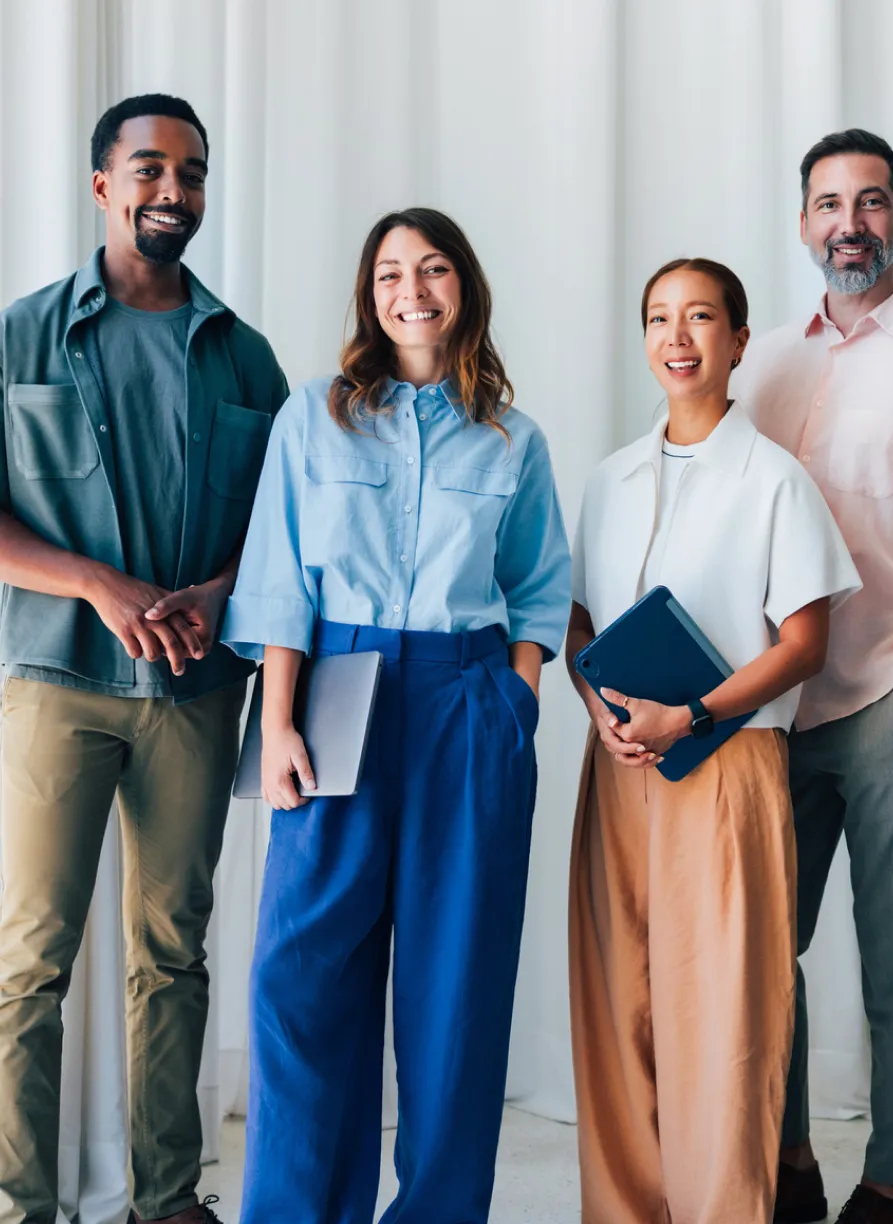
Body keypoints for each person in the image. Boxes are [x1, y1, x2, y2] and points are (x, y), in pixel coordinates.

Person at [221, 206, 571, 1223]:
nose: (410, 290)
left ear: (464, 284)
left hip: (466, 705)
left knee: (453, 989)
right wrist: (278, 721)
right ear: (369, 298)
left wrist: (514, 700)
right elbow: (280, 576)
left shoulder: (513, 439)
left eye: (430, 269)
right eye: (387, 275)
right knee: (303, 982)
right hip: (335, 689)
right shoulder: (315, 414)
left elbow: (539, 589)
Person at [0, 94, 287, 1224]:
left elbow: (280, 528)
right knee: (29, 966)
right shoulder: (22, 335)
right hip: (56, 686)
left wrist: (219, 597)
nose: (176, 191)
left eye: (195, 173)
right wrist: (95, 582)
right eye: (152, 169)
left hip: (195, 694)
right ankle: (23, 1204)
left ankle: (168, 1199)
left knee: (173, 956)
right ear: (102, 186)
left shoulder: (245, 357)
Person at [567, 257, 859, 1224]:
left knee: (722, 1013)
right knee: (619, 1004)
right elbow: (577, 624)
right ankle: (624, 1209)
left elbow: (805, 645)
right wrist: (600, 709)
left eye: (701, 318)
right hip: (617, 771)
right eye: (659, 317)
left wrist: (691, 716)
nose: (678, 336)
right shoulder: (609, 479)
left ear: (739, 341)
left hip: (727, 769)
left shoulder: (775, 481)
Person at [734, 129, 893, 1224]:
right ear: (802, 225)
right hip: (779, 707)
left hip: (888, 694)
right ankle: (784, 1164)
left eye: (871, 203)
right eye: (829, 204)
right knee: (763, 949)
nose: (850, 225)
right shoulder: (768, 359)